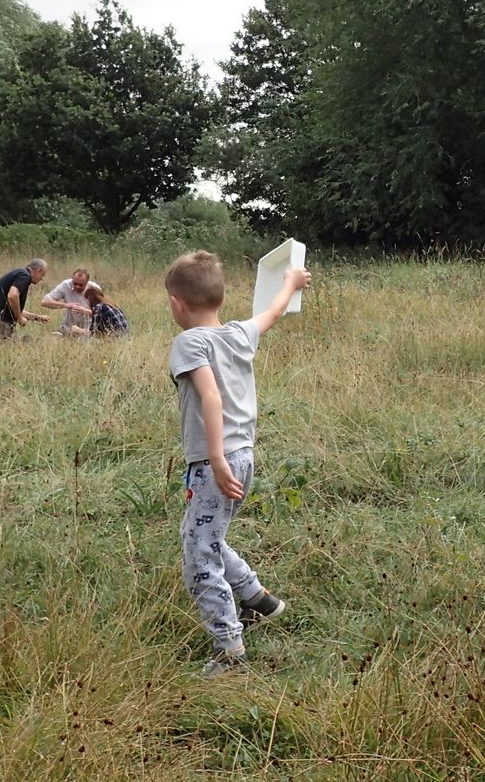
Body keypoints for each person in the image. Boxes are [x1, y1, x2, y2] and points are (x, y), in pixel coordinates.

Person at [165, 250, 311, 676]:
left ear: (177, 302)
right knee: (206, 535)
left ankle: (228, 647)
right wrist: (292, 281)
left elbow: (210, 396)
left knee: (198, 554)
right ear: (220, 298)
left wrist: (213, 457)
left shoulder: (189, 342)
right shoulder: (239, 334)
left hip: (217, 461)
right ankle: (258, 600)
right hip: (242, 454)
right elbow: (272, 312)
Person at [41, 268, 129, 337]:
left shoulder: (94, 292)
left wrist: (84, 311)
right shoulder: (65, 285)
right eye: (75, 283)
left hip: (89, 329)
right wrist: (66, 305)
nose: (77, 287)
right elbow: (44, 302)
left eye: (81, 285)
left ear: (87, 283)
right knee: (53, 337)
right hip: (69, 327)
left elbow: (97, 330)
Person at [0, 259, 50, 339]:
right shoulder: (25, 276)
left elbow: (14, 309)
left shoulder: (20, 273)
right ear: (39, 270)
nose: (41, 279)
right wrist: (19, 318)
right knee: (18, 347)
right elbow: (12, 295)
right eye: (42, 275)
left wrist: (38, 318)